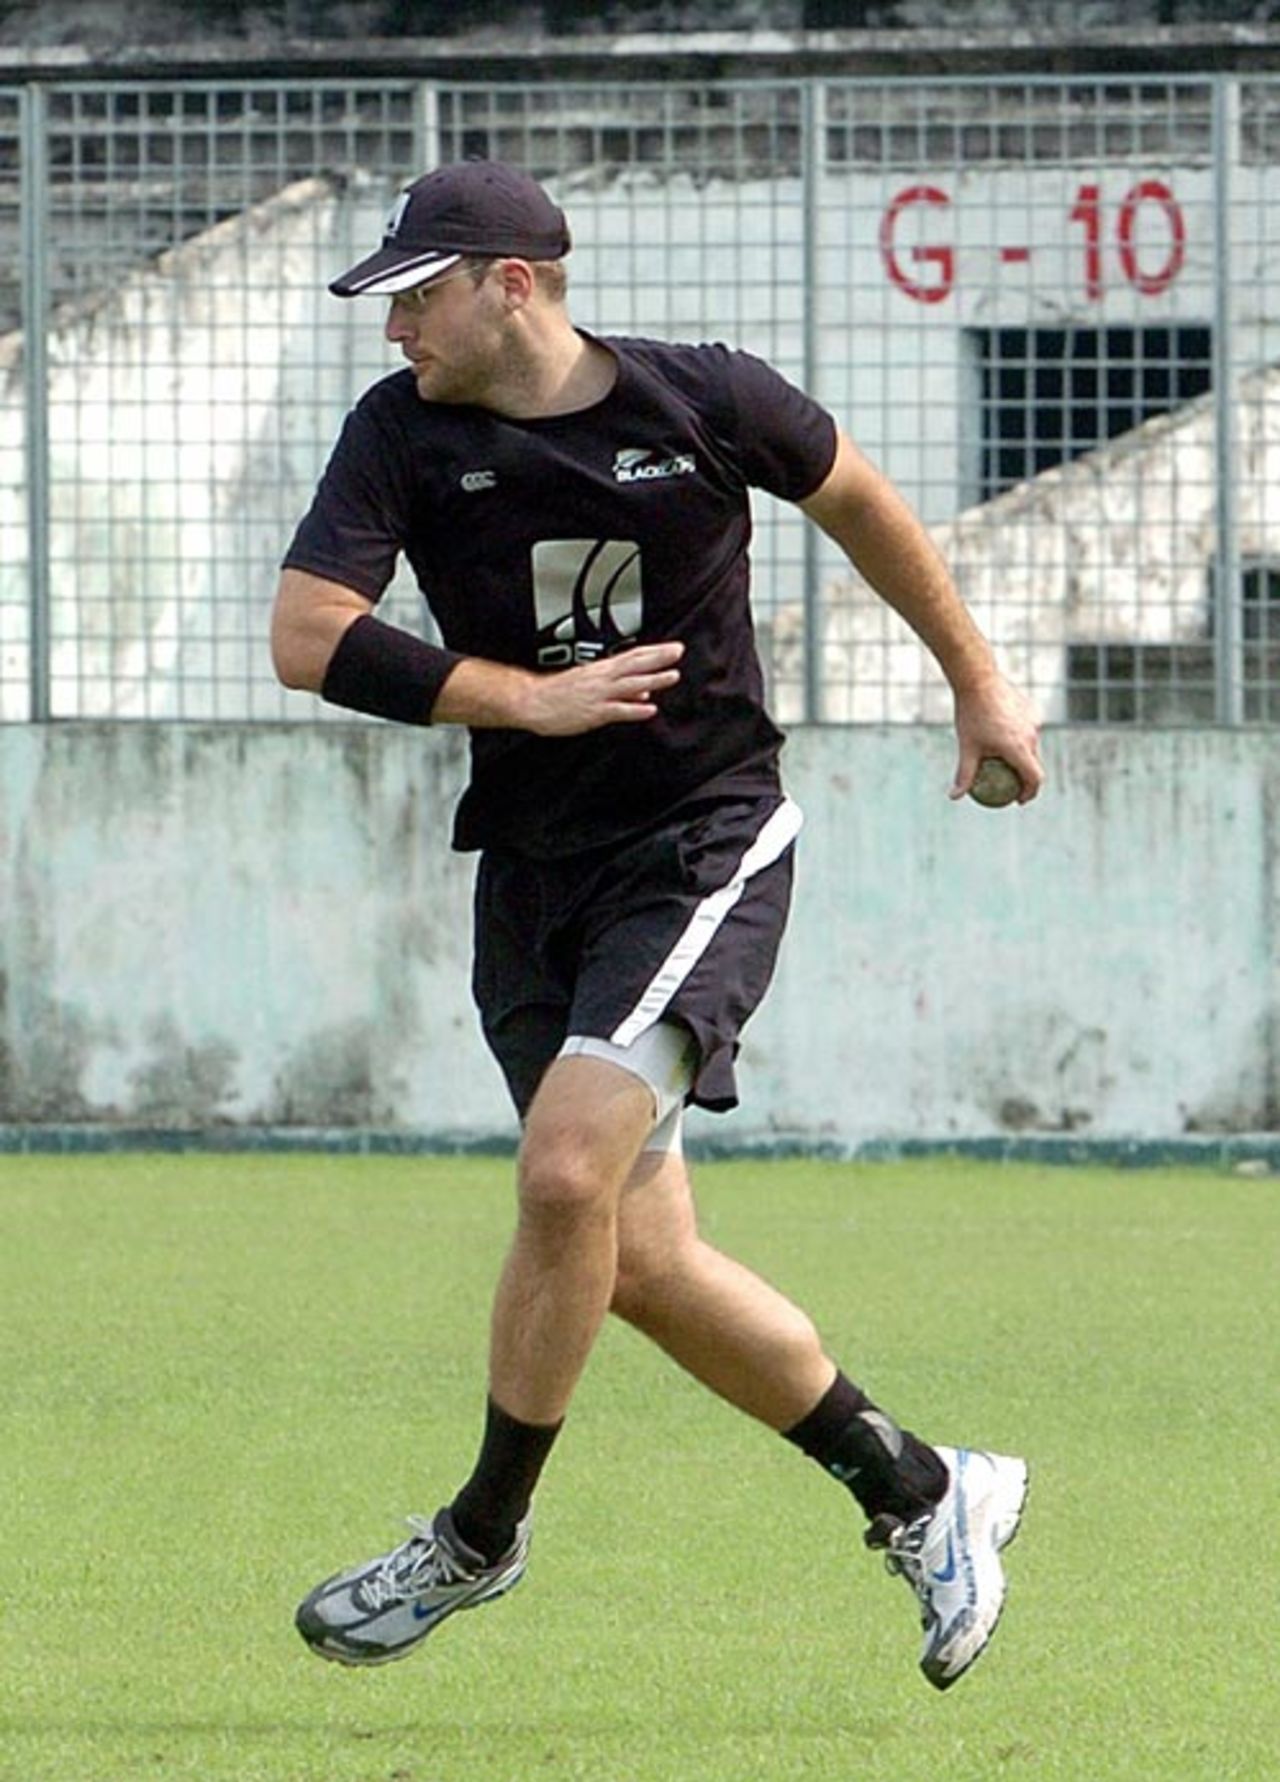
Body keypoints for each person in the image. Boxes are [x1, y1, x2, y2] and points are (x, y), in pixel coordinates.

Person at [270, 160, 1044, 1692]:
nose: (394, 330)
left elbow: (867, 505)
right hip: (532, 877)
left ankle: (479, 1532)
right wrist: (520, 699)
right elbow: (307, 636)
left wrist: (980, 683)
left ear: (514, 284)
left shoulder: (708, 402)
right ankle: (925, 1487)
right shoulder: (400, 435)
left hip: (700, 845)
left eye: (416, 296)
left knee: (565, 1168)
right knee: (633, 1256)